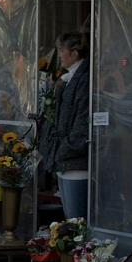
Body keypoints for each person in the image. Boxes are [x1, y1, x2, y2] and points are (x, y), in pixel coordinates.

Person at [43, 31, 91, 219]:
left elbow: (82, 122)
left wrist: (63, 148)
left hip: (75, 161)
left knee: (76, 221)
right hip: (65, 160)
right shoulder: (68, 78)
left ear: (75, 53)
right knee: (70, 220)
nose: (59, 55)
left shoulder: (84, 80)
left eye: (62, 50)